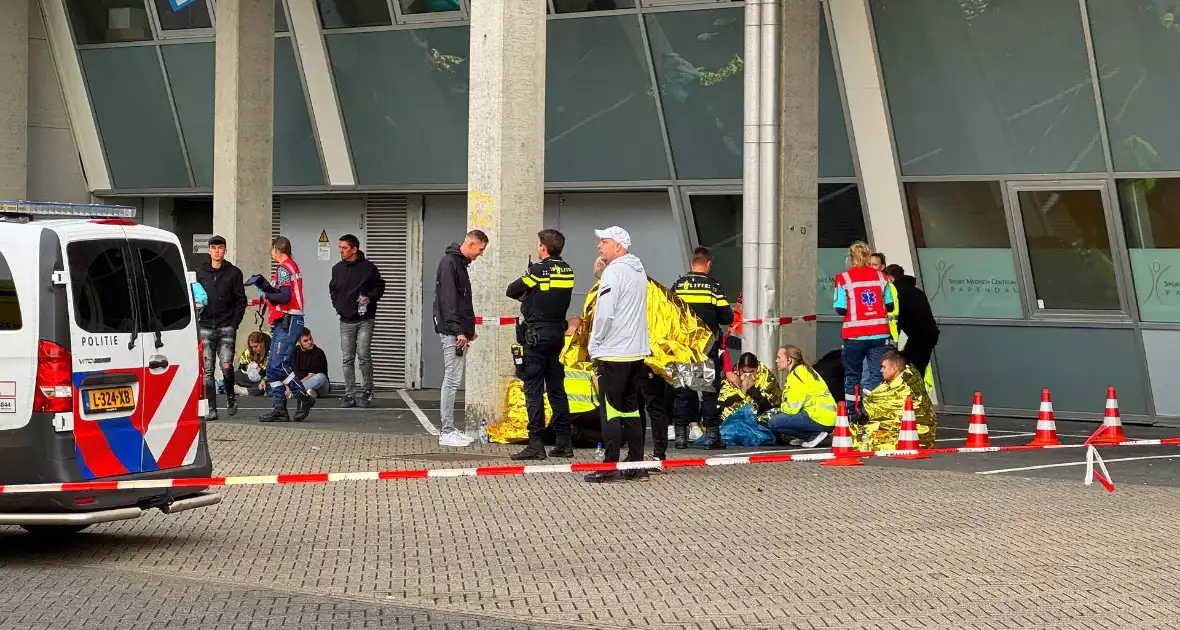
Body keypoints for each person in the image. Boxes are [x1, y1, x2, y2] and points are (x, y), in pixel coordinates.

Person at [585, 226, 650, 484]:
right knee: (632, 411)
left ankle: (610, 465)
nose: (599, 246)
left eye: (604, 242)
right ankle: (637, 465)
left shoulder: (614, 271)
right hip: (636, 353)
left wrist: (596, 342)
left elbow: (605, 313)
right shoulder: (638, 269)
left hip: (613, 352)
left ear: (618, 246)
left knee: (610, 411)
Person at [505, 229, 575, 461]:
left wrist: (526, 296)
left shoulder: (537, 271)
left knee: (533, 389)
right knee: (557, 389)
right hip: (557, 334)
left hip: (536, 335)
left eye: (538, 244)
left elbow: (511, 289)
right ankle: (564, 442)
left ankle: (536, 444)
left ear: (543, 247)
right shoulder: (568, 270)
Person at [245, 236, 315, 423]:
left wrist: (266, 292)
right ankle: (279, 408)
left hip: (288, 320)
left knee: (279, 365)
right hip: (286, 320)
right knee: (272, 368)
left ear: (276, 249)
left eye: (272, 249)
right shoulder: (291, 266)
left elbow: (284, 296)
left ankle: (303, 397)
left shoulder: (284, 269)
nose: (271, 252)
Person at [671, 247, 734, 450]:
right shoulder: (713, 287)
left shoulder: (679, 285)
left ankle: (681, 437)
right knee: (708, 392)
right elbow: (727, 317)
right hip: (706, 347)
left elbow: (669, 314)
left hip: (683, 347)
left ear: (692, 264)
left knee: (683, 391)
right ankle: (712, 437)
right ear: (708, 264)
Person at [433, 230, 487, 447]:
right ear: (471, 244)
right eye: (481, 249)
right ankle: (446, 431)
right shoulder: (450, 263)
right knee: (452, 380)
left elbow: (461, 301)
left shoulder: (458, 264)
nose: (480, 254)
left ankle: (450, 428)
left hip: (457, 331)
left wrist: (468, 329)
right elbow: (448, 301)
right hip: (452, 332)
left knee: (453, 379)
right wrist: (458, 331)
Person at [833, 241, 894, 423]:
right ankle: (874, 413)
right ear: (869, 257)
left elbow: (840, 309)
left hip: (854, 335)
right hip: (879, 335)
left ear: (851, 258)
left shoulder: (844, 278)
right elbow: (889, 306)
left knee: (853, 375)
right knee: (877, 375)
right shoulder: (882, 278)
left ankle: (853, 415)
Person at [195, 235, 247, 422]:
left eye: (220, 248)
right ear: (209, 250)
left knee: (226, 367)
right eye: (214, 248)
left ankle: (230, 398)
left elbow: (241, 300)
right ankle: (211, 408)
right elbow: (194, 294)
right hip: (206, 326)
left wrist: (234, 324)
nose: (217, 251)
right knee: (208, 370)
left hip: (226, 326)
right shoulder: (200, 271)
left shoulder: (234, 273)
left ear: (225, 250)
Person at [330, 234, 385, 409]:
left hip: (364, 319)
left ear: (354, 249)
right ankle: (349, 394)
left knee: (363, 355)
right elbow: (333, 289)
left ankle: (367, 390)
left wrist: (369, 298)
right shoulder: (337, 269)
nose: (341, 251)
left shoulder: (368, 268)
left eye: (344, 248)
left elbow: (380, 286)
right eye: (340, 247)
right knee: (347, 358)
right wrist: (338, 306)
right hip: (345, 320)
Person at [861, 349, 937, 450]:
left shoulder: (906, 388)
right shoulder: (892, 384)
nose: (881, 370)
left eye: (884, 367)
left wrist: (874, 400)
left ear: (894, 368)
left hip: (912, 439)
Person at [768, 345, 838, 448]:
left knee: (773, 422)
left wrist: (778, 409)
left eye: (779, 357)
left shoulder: (796, 375)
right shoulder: (805, 370)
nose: (776, 360)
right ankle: (810, 435)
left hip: (819, 418)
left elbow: (792, 409)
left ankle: (812, 435)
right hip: (827, 418)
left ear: (789, 360)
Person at [884, 264, 940, 374]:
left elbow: (898, 319)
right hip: (928, 334)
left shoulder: (897, 293)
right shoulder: (916, 291)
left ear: (890, 278)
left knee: (909, 370)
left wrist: (893, 342)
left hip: (918, 336)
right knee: (916, 368)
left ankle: (913, 389)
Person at [718, 352, 782, 423]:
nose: (747, 376)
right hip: (734, 422)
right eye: (744, 371)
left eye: (752, 371)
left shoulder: (766, 378)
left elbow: (771, 409)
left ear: (757, 369)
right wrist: (741, 392)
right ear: (738, 369)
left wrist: (752, 390)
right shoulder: (731, 378)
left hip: (757, 422)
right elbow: (720, 407)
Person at [292, 328, 331, 399]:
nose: (309, 342)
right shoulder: (295, 351)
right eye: (305, 341)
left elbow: (311, 375)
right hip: (302, 383)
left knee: (320, 377)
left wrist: (295, 386)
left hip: (321, 387)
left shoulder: (318, 353)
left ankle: (294, 392)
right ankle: (309, 393)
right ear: (299, 342)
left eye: (310, 339)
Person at [235, 331, 271, 397]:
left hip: (265, 378)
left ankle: (248, 391)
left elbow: (272, 372)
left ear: (262, 343)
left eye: (256, 346)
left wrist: (260, 371)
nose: (253, 349)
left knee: (268, 384)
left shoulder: (271, 352)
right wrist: (249, 368)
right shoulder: (249, 351)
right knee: (236, 375)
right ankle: (250, 390)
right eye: (251, 347)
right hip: (252, 379)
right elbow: (241, 367)